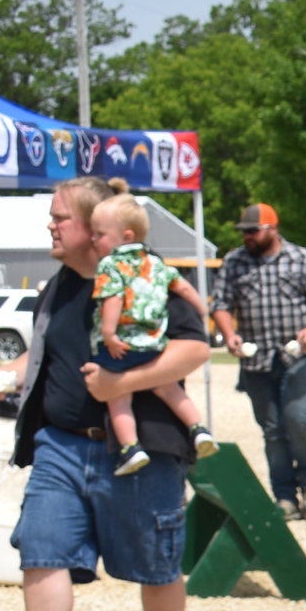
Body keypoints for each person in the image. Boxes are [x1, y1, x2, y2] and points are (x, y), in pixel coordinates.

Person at [0, 176, 210, 611]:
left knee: (157, 563)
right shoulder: (60, 285)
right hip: (60, 446)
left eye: (60, 216)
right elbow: (45, 355)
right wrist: (2, 376)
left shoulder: (143, 274)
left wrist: (122, 386)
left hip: (141, 448)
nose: (51, 224)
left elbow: (194, 349)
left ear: (95, 229)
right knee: (41, 548)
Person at [212, 201, 306, 518]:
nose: (248, 238)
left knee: (296, 418)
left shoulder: (301, 259)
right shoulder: (235, 262)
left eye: (254, 231)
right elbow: (221, 304)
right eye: (244, 232)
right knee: (271, 428)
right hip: (256, 359)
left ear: (273, 229)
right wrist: (229, 334)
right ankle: (283, 495)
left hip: (294, 354)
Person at [85, 195, 217, 475]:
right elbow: (184, 289)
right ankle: (198, 428)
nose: (93, 239)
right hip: (155, 343)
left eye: (99, 234)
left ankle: (130, 447)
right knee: (169, 387)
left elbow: (114, 298)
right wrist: (203, 310)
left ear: (125, 235)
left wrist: (109, 332)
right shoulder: (157, 265)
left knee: (118, 396)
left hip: (121, 345)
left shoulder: (110, 265)